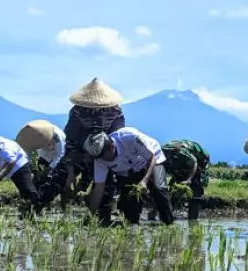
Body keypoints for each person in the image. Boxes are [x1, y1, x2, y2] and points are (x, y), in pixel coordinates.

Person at [36, 78, 126, 209]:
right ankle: (35, 207)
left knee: (106, 185)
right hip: (80, 152)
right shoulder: (78, 111)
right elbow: (71, 139)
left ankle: (101, 215)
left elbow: (117, 137)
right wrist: (71, 169)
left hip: (103, 154)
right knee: (58, 179)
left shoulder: (116, 111)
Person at [83, 127, 174, 227]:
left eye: (104, 157)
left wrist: (145, 180)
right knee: (130, 202)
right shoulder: (100, 159)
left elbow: (151, 158)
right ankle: (134, 225)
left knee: (159, 189)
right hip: (127, 170)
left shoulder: (130, 138)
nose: (103, 160)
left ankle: (168, 223)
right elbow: (99, 188)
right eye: (99, 158)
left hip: (151, 160)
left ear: (112, 146)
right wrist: (90, 214)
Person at [160, 139, 211, 220]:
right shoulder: (160, 158)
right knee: (175, 190)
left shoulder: (180, 152)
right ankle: (168, 215)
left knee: (196, 191)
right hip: (182, 167)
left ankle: (192, 220)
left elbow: (194, 162)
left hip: (199, 163)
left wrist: (189, 179)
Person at [15, 119, 66, 196]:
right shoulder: (30, 137)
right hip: (44, 155)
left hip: (57, 157)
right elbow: (27, 154)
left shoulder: (57, 135)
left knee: (53, 177)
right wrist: (30, 168)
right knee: (38, 177)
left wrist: (50, 168)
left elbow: (60, 154)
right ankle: (34, 194)